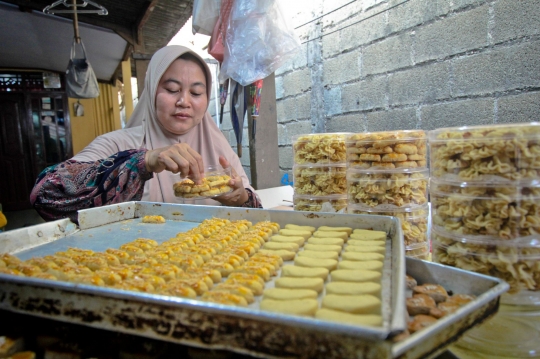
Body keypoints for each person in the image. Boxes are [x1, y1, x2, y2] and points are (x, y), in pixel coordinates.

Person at [31, 45, 262, 223]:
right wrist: (144, 161)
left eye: (196, 92)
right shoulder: (117, 144)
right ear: (151, 91)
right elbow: (45, 195)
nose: (184, 101)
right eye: (172, 90)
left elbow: (257, 211)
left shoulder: (218, 148)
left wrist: (241, 198)